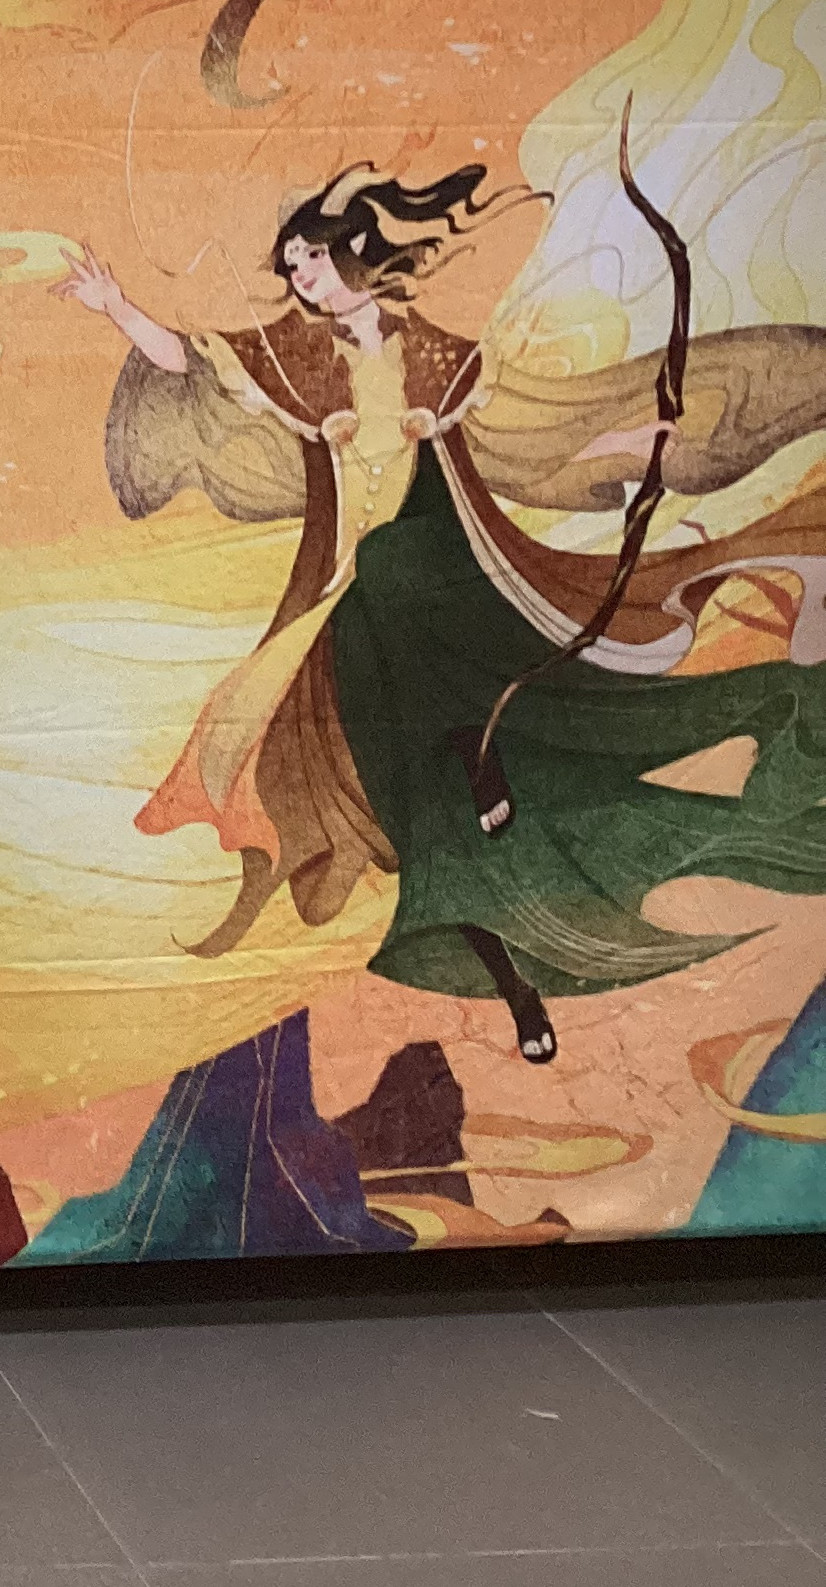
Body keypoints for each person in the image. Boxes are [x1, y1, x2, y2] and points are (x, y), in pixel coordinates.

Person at [62, 157, 826, 1062]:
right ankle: (517, 986)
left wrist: (634, 439)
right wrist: (116, 307)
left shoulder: (430, 353)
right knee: (425, 814)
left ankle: (495, 754)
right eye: (292, 266)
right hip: (356, 602)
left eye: (311, 258)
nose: (301, 278)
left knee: (413, 582)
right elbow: (194, 361)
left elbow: (538, 424)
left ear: (353, 252)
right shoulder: (300, 356)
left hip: (446, 575)